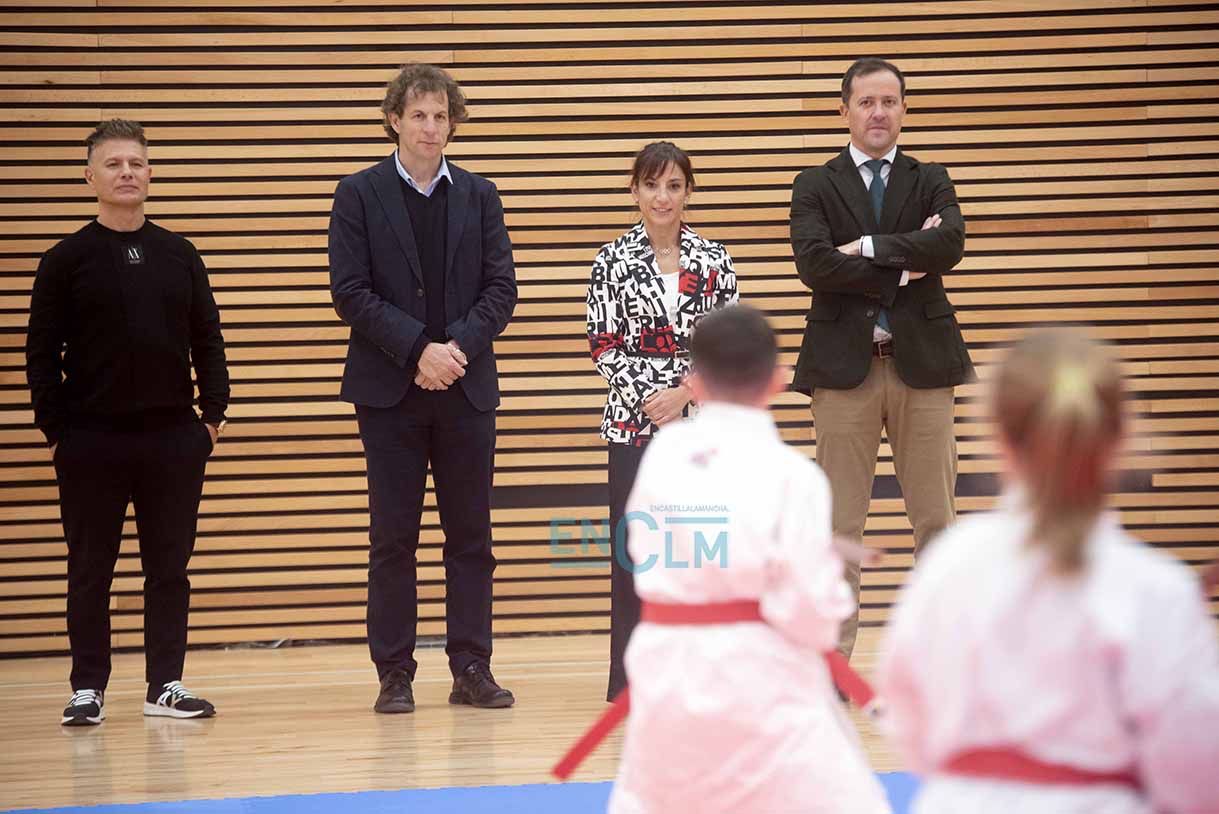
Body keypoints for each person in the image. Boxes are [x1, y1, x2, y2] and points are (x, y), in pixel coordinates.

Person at [877, 327, 1219, 814]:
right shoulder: (1157, 590)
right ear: (1120, 439)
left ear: (998, 437)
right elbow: (1195, 766)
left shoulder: (950, 564)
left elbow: (907, 711)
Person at [608, 305, 891, 814]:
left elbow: (640, 554)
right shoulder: (794, 478)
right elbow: (812, 611)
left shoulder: (662, 457)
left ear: (695, 381)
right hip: (763, 683)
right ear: (778, 381)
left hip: (667, 673)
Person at [26, 119, 229, 726]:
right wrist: (56, 431)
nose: (126, 173)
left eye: (136, 163)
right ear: (89, 176)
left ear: (150, 174)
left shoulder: (179, 254)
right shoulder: (65, 260)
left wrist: (211, 418)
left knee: (168, 569)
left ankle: (164, 684)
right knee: (91, 569)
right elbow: (41, 353)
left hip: (174, 438)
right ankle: (87, 688)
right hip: (90, 441)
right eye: (113, 164)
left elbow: (207, 339)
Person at [329, 64, 517, 713]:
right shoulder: (358, 193)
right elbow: (349, 291)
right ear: (394, 120)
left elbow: (501, 289)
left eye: (441, 116)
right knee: (393, 540)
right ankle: (395, 673)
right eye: (419, 115)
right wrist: (417, 350)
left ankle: (471, 666)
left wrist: (453, 351)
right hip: (390, 391)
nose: (431, 127)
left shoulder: (480, 194)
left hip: (465, 386)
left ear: (452, 123)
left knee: (471, 539)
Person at [789, 57, 974, 660]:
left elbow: (949, 243)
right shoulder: (815, 183)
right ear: (844, 110)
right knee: (839, 527)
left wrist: (866, 247)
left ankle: (942, 662)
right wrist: (905, 266)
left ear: (904, 110)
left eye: (889, 101)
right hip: (845, 374)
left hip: (924, 370)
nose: (878, 113)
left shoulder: (931, 177)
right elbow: (815, 264)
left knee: (937, 522)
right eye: (866, 102)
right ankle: (833, 666)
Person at [586, 141, 738, 699]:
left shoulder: (714, 259)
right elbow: (604, 345)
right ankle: (630, 680)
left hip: (701, 425)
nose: (662, 196)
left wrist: (685, 396)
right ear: (635, 192)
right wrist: (655, 400)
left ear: (688, 193)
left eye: (674, 185)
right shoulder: (610, 261)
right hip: (632, 424)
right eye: (651, 185)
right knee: (636, 554)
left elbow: (730, 344)